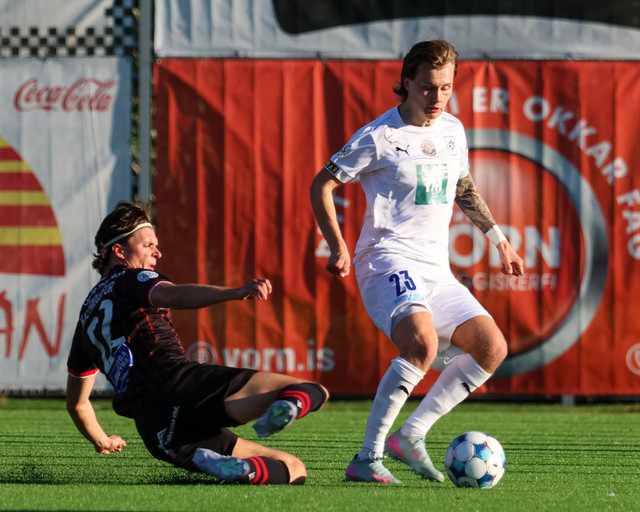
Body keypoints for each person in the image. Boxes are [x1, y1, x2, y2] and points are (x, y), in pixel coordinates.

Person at [310, 39, 523, 484]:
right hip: (385, 258)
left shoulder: (453, 130)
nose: (436, 97)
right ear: (406, 83)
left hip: (434, 267)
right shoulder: (380, 136)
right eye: (427, 87)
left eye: (445, 87)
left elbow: (463, 187)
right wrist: (337, 244)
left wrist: (499, 240)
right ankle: (366, 459)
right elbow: (321, 185)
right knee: (421, 345)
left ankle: (411, 435)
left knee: (492, 347)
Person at [66, 201, 329, 485]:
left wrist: (102, 440)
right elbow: (174, 295)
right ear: (119, 251)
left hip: (155, 429)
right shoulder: (130, 278)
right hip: (181, 387)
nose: (157, 252)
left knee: (293, 468)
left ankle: (243, 469)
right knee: (313, 391)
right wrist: (234, 292)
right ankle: (287, 409)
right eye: (148, 244)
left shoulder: (85, 320)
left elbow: (77, 404)